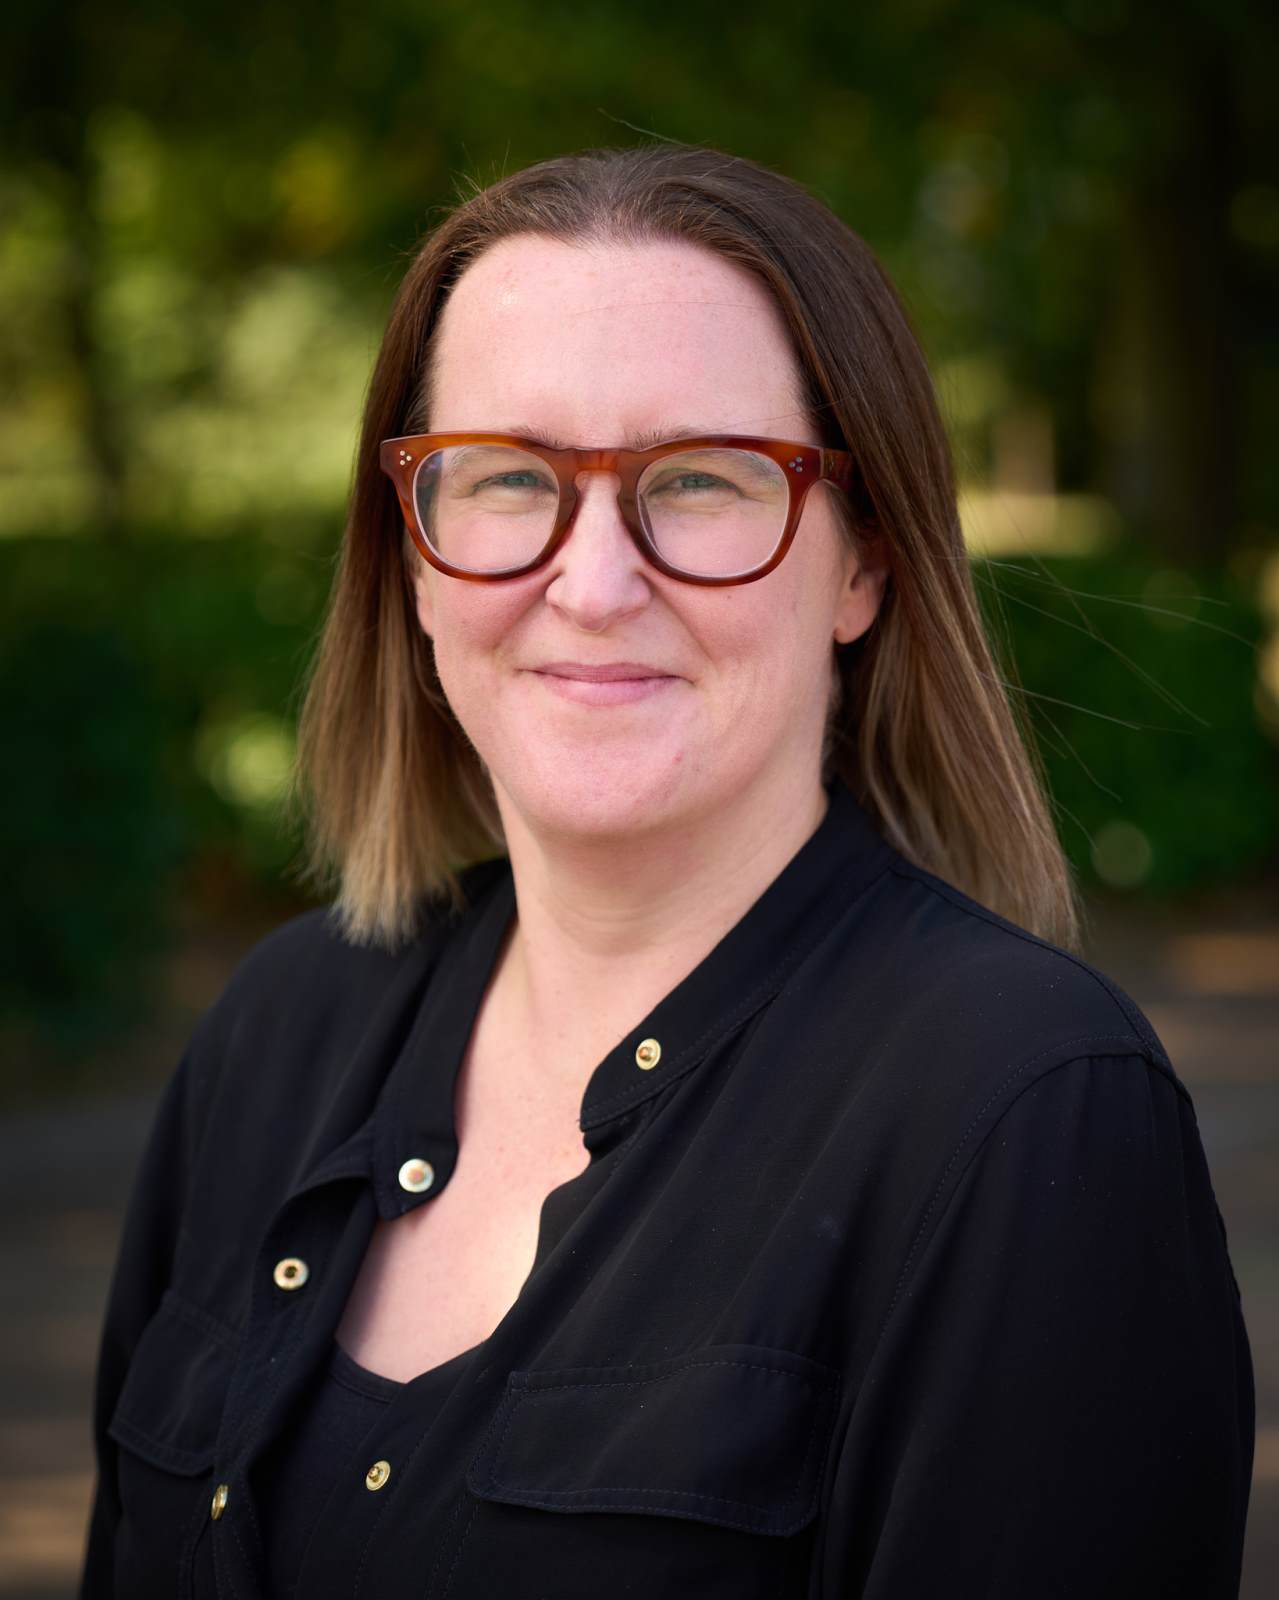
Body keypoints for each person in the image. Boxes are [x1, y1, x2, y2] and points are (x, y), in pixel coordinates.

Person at [79, 143, 1253, 1600]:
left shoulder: (1022, 1112)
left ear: (865, 564)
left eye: (698, 480)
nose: (591, 583)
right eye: (508, 477)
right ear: (414, 554)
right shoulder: (280, 1030)